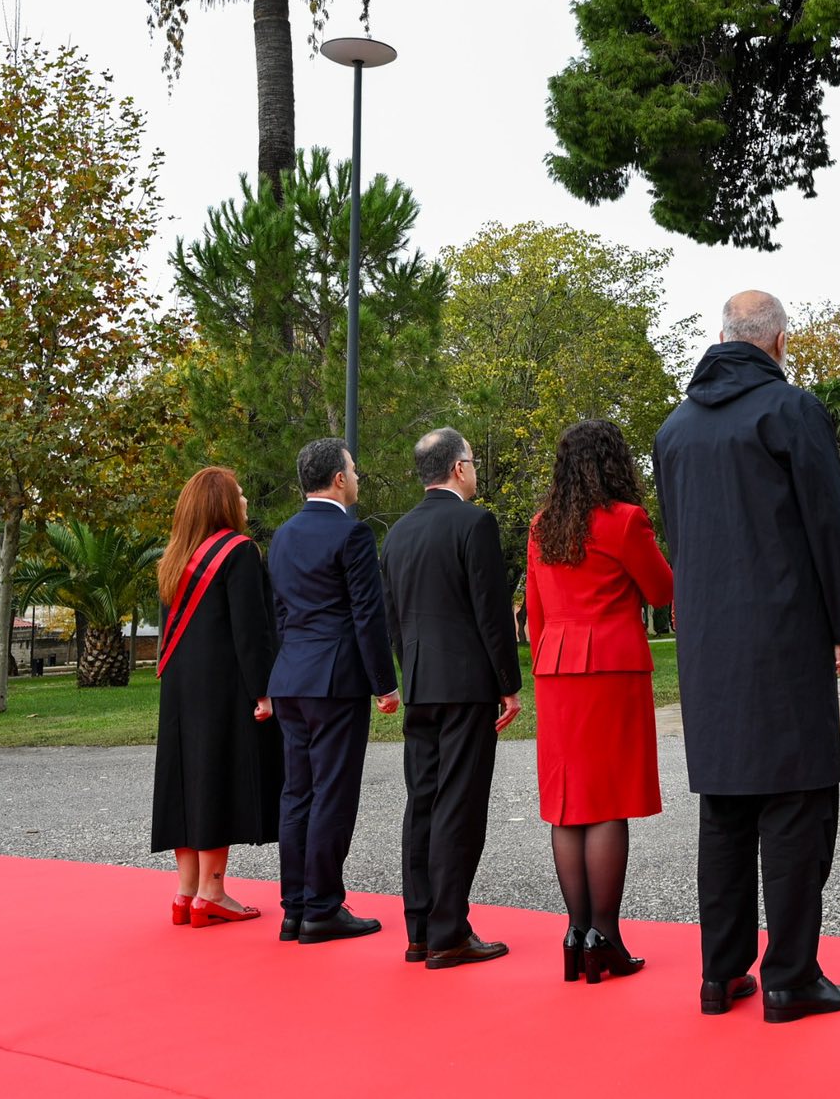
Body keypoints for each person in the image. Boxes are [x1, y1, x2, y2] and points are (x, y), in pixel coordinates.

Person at [652, 290, 840, 1023]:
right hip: (781, 638)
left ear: (724, 337)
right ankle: (790, 976)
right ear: (778, 342)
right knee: (793, 806)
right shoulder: (790, 411)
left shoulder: (675, 430)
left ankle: (719, 976)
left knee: (724, 809)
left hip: (710, 644)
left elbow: (680, 543)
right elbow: (827, 520)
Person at [525, 420, 676, 985]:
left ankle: (574, 932)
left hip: (556, 668)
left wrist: (547, 658)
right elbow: (662, 590)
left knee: (569, 803)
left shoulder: (543, 526)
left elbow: (536, 609)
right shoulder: (625, 520)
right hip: (610, 667)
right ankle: (603, 937)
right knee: (607, 800)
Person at [383, 428, 523, 969]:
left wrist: (409, 671)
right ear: (458, 469)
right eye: (472, 460)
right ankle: (449, 931)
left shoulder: (396, 534)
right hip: (465, 685)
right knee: (458, 807)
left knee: (422, 803)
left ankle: (420, 929)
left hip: (421, 683)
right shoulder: (475, 522)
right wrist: (508, 684)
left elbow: (393, 620)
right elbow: (492, 613)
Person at [267, 437, 400, 944]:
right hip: (336, 680)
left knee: (297, 791)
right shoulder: (353, 534)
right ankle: (322, 906)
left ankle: (295, 907)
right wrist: (384, 683)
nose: (359, 479)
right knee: (333, 794)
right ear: (338, 479)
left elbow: (280, 614)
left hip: (291, 677)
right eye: (355, 471)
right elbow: (369, 616)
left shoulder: (281, 536)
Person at [150, 466, 284, 929]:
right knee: (216, 777)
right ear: (222, 505)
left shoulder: (174, 557)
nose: (244, 502)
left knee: (185, 779)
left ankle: (185, 892)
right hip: (223, 688)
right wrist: (264, 691)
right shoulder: (240, 552)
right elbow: (253, 632)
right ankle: (213, 891)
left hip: (179, 687)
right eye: (240, 495)